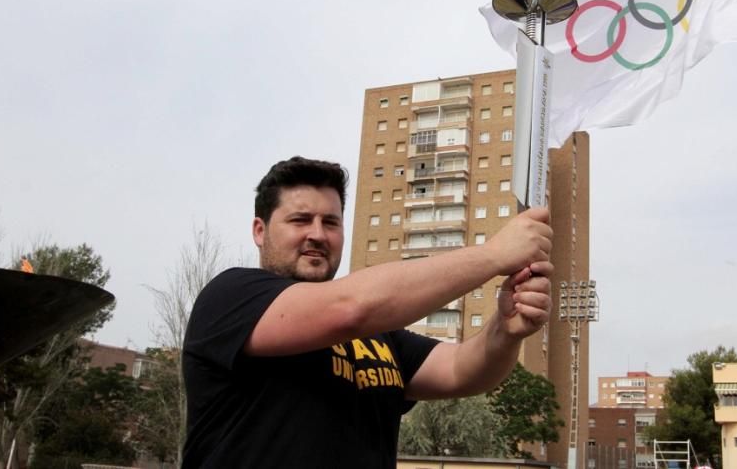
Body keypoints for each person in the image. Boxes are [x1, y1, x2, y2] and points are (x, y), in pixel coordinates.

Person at [182, 156, 553, 468]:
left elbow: (461, 370)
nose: (317, 234)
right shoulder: (230, 297)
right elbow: (350, 307)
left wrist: (505, 330)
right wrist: (493, 255)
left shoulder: (377, 337)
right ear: (260, 231)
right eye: (299, 220)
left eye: (331, 222)